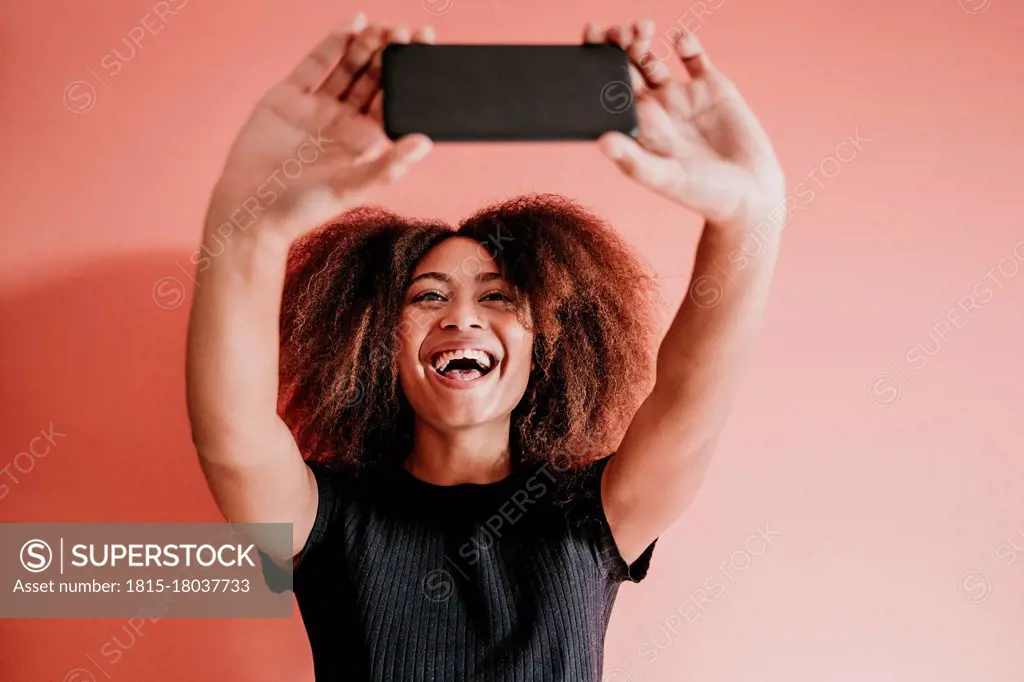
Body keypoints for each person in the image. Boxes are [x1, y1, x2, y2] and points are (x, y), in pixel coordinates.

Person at [186, 11, 785, 682]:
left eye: (497, 297)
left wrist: (749, 217)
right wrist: (245, 228)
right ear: (377, 343)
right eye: (428, 296)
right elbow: (232, 437)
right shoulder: (326, 517)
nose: (461, 317)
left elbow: (686, 399)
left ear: (546, 348)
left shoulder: (594, 515)